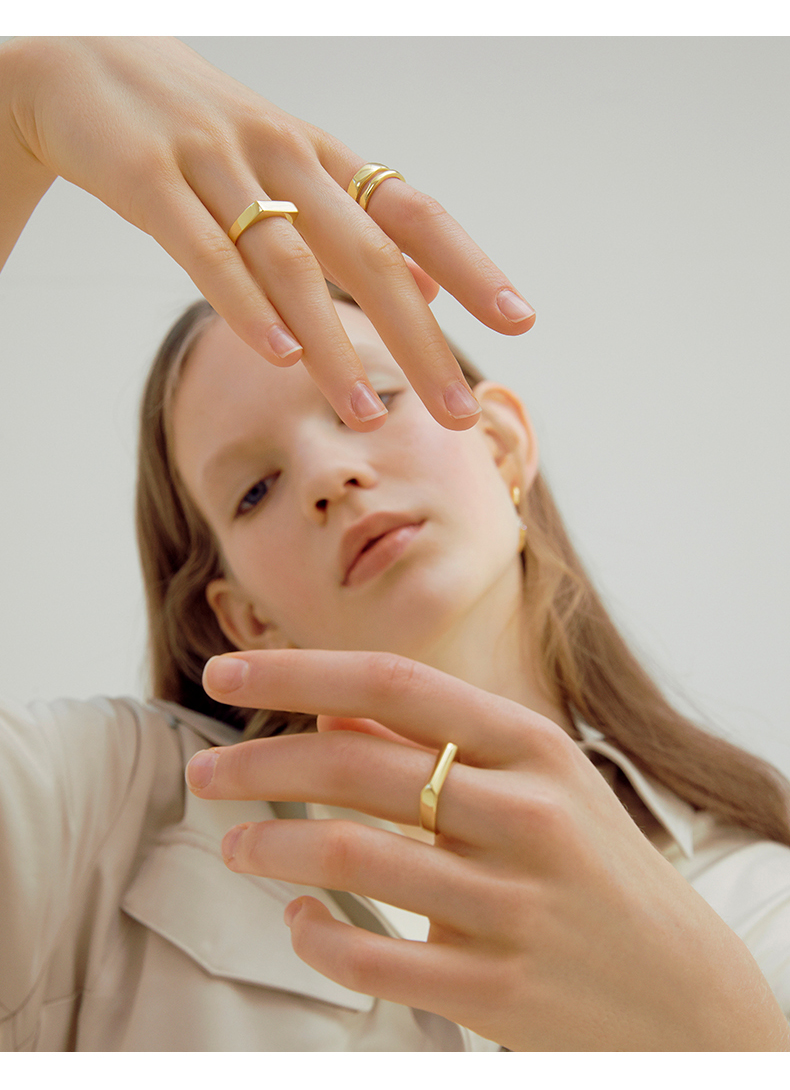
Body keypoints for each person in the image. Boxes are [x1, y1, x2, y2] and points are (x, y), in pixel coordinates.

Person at [1, 36, 789, 1052]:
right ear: (244, 618)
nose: (329, 477)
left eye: (368, 399)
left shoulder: (761, 895)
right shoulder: (97, 818)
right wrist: (21, 94)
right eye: (254, 489)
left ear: (501, 443)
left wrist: (724, 1038)